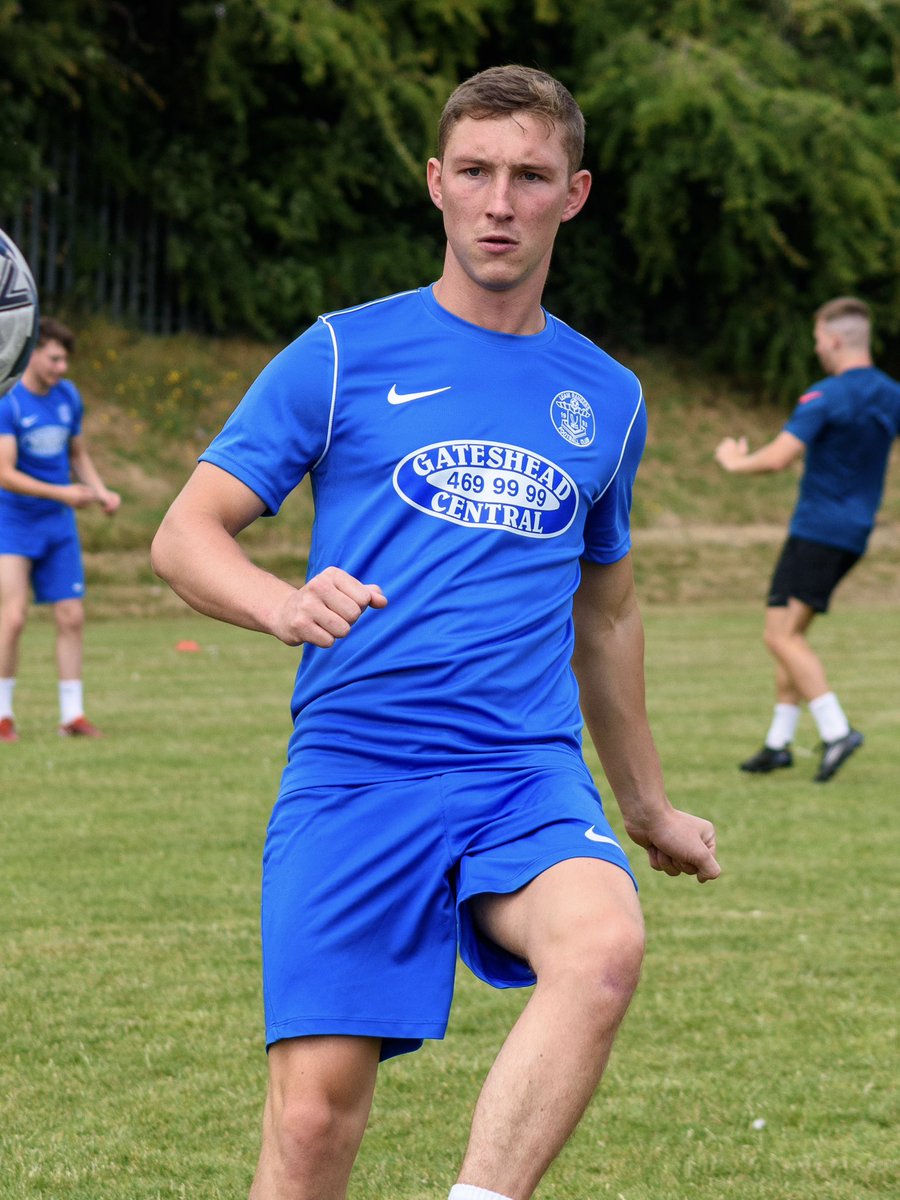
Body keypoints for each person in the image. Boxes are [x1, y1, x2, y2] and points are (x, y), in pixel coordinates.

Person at [152, 65, 720, 1200]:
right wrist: (281, 603)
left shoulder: (606, 397)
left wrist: (647, 804)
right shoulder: (341, 355)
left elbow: (603, 607)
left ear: (576, 193)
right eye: (476, 172)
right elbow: (185, 532)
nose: (500, 200)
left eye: (530, 175)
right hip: (357, 772)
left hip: (522, 769)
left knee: (603, 945)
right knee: (314, 1124)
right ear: (436, 184)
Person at [715, 296, 900, 782]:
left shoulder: (824, 397)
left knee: (779, 635)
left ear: (835, 340)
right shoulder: (890, 394)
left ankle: (837, 731)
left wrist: (735, 461)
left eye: (819, 340)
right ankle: (779, 743)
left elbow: (778, 457)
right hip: (854, 533)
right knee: (790, 634)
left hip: (817, 530)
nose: (818, 348)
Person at [0, 316, 121, 742]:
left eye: (65, 360)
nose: (61, 368)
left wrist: (101, 491)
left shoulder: (68, 396)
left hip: (58, 523)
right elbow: (5, 473)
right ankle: (3, 714)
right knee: (12, 618)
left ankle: (72, 717)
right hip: (12, 522)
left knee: (71, 615)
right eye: (54, 358)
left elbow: (79, 455)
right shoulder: (9, 401)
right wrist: (63, 494)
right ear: (32, 353)